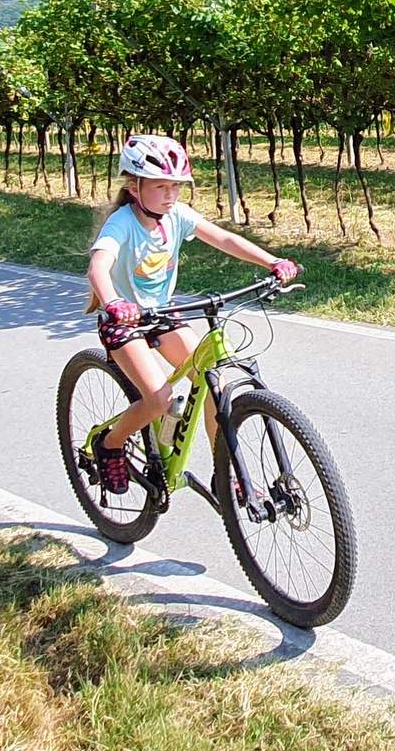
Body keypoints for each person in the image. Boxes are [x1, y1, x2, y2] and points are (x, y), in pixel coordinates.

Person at [86, 133, 298, 494]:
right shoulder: (122, 223)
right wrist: (113, 303)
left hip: (162, 315)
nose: (170, 194)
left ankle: (225, 474)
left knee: (215, 383)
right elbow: (98, 267)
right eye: (160, 186)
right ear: (135, 187)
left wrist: (272, 261)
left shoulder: (176, 216)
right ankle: (110, 444)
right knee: (160, 399)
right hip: (124, 322)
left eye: (176, 186)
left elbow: (224, 239)